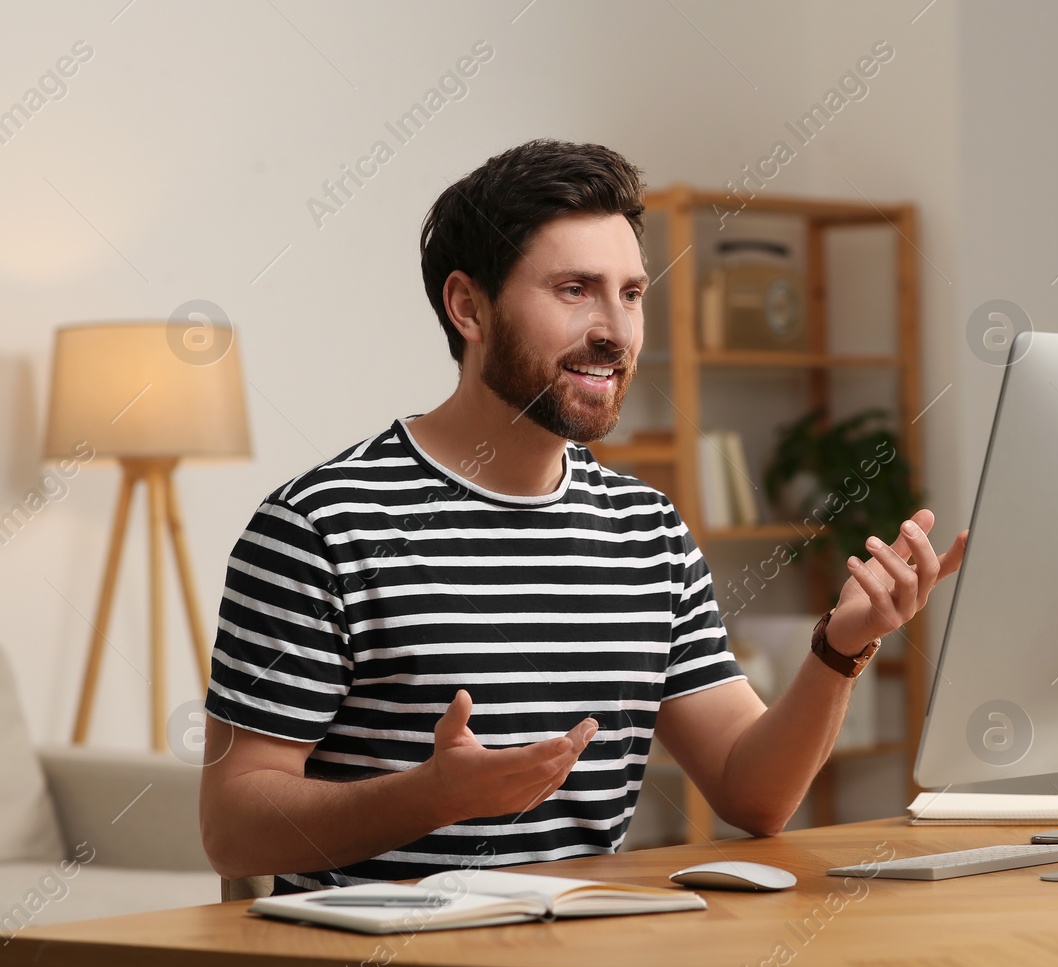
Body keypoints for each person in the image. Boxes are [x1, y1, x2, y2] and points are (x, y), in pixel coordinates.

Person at [198, 139, 967, 892]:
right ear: (469, 306)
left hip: (583, 965)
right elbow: (233, 830)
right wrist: (432, 796)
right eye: (575, 290)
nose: (616, 330)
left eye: (631, 293)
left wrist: (840, 649)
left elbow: (751, 793)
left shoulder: (647, 530)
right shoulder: (322, 526)